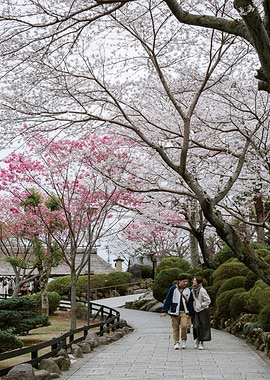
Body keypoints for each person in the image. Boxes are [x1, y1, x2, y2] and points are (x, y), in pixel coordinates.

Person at [160, 274, 194, 350]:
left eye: (186, 281)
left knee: (184, 326)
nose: (185, 283)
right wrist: (164, 310)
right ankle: (176, 342)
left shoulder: (188, 290)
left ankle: (184, 340)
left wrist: (191, 312)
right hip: (174, 311)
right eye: (184, 281)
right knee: (175, 328)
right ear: (179, 281)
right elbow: (168, 300)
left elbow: (190, 302)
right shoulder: (173, 289)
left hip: (184, 312)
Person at [191, 276, 211, 350]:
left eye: (195, 281)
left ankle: (201, 342)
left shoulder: (202, 290)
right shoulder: (193, 290)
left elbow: (208, 301)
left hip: (203, 310)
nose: (193, 281)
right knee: (196, 326)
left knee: (202, 326)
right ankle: (197, 340)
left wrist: (201, 305)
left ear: (198, 282)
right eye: (193, 280)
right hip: (196, 310)